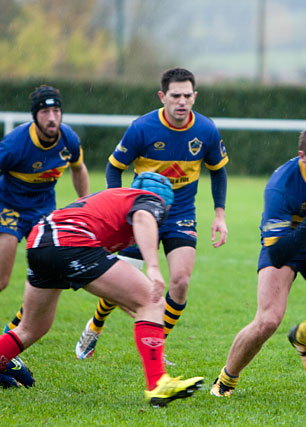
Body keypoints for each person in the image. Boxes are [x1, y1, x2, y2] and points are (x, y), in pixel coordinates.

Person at [0, 173, 204, 406]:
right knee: (151, 299)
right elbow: (143, 216)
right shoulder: (150, 200)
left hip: (41, 240)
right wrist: (154, 267)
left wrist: (139, 312)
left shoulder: (118, 198)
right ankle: (158, 383)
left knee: (31, 328)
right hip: (71, 240)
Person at [74, 68, 229, 361]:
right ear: (163, 97)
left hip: (181, 213)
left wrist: (219, 214)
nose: (182, 102)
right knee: (122, 282)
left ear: (195, 97)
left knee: (180, 282)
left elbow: (218, 171)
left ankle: (158, 344)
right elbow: (114, 167)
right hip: (140, 214)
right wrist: (118, 206)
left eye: (187, 96)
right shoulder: (142, 128)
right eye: (175, 96)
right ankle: (95, 326)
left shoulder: (206, 130)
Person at [210, 123, 306, 397]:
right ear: (302, 157)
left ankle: (304, 336)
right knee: (268, 320)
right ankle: (226, 379)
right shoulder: (281, 186)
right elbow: (278, 253)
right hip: (285, 245)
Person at [0, 85, 89, 386]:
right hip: (9, 208)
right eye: (45, 112)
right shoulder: (15, 145)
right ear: (35, 116)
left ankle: (7, 343)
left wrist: (84, 205)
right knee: (1, 279)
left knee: (51, 280)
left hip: (43, 214)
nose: (52, 117)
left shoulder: (68, 139)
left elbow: (79, 168)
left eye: (56, 111)